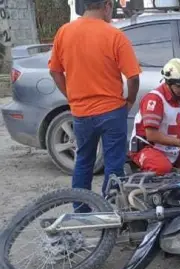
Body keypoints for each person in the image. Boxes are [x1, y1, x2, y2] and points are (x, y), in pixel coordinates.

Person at [48, 0, 141, 207]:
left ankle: (81, 212)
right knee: (114, 165)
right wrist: (130, 100)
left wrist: (71, 96)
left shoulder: (64, 32)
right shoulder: (114, 35)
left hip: (81, 112)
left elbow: (55, 71)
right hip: (112, 111)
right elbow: (133, 77)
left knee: (83, 162)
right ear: (106, 6)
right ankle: (109, 211)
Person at [129, 58, 180, 175]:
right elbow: (151, 135)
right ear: (168, 83)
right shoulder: (155, 99)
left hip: (172, 147)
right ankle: (158, 172)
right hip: (149, 147)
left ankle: (179, 173)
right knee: (162, 168)